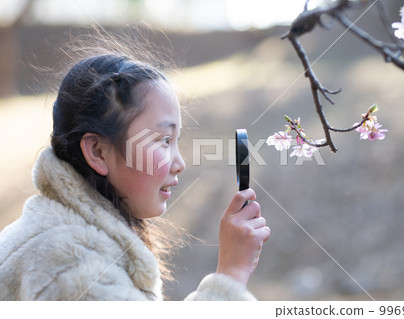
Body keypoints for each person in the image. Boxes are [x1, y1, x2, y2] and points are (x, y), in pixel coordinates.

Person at [0, 52, 270, 300]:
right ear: (98, 151)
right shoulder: (71, 265)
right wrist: (231, 274)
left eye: (176, 141)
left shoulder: (61, 239)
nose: (180, 163)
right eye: (164, 140)